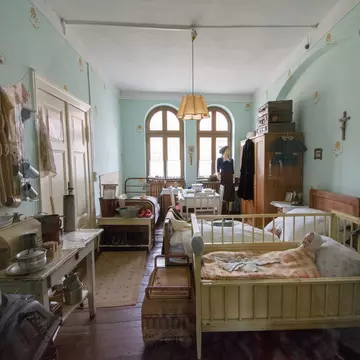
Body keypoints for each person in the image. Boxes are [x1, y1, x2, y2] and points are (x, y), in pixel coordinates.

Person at [217, 146, 235, 213]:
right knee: (224, 194)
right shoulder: (219, 159)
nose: (229, 151)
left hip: (230, 178)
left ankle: (229, 211)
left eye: (229, 150)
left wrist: (233, 178)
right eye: (227, 150)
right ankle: (224, 210)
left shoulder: (231, 160)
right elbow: (218, 170)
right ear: (224, 151)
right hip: (223, 177)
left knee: (230, 195)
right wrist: (219, 177)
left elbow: (232, 170)